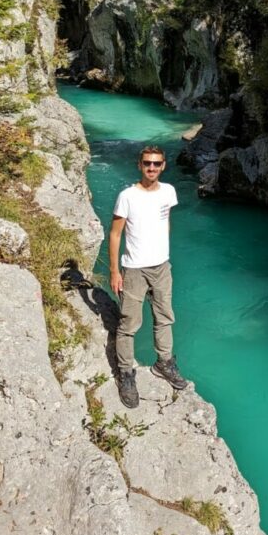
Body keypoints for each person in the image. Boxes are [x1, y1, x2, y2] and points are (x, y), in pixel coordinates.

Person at [109, 145, 187, 408]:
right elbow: (115, 234)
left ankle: (164, 363)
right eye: (147, 164)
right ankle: (126, 374)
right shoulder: (127, 196)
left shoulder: (169, 191)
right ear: (139, 165)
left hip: (161, 267)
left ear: (163, 165)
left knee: (164, 318)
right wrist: (114, 271)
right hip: (134, 270)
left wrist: (163, 251)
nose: (151, 168)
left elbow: (165, 220)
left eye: (156, 164)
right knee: (129, 324)